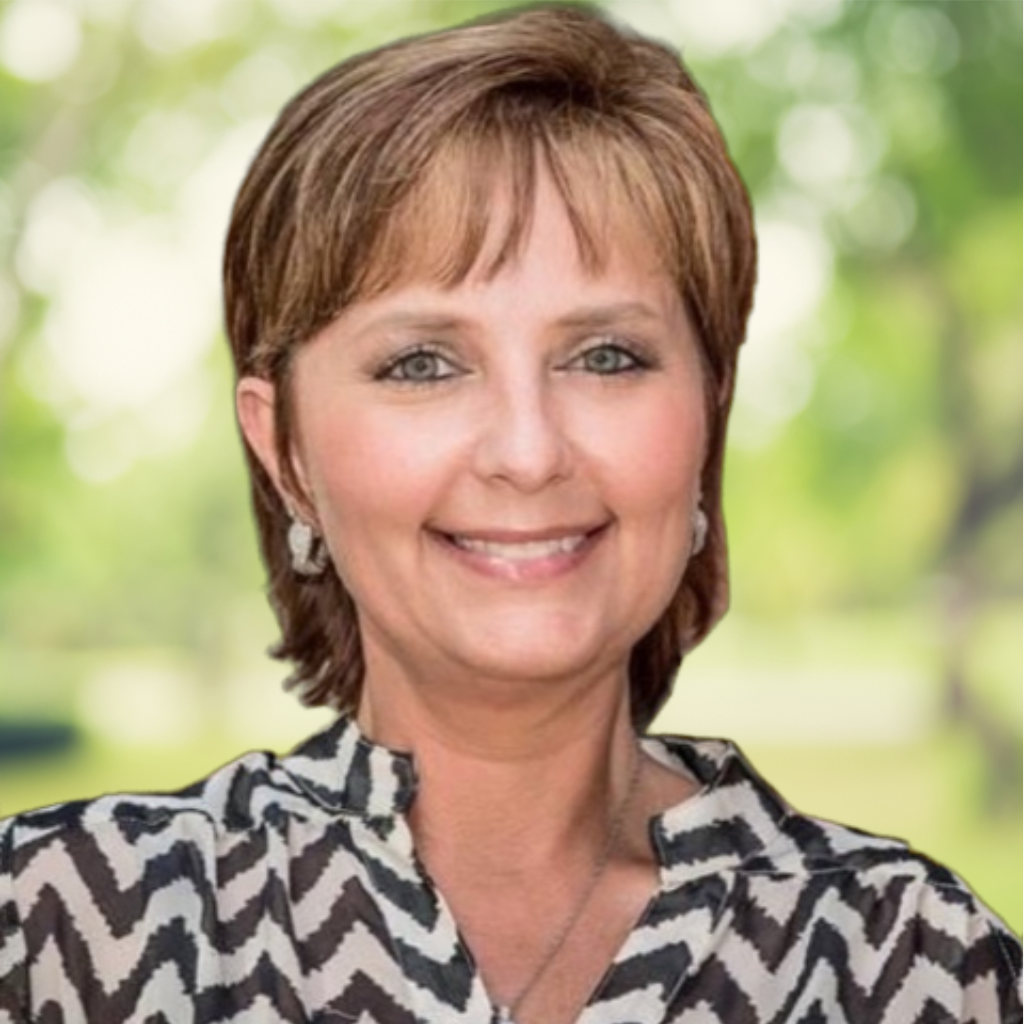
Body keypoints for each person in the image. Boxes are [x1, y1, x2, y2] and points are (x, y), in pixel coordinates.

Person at [0, 5, 1020, 1023]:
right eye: (423, 363)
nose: (527, 452)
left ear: (705, 417)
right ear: (287, 455)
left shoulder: (914, 964)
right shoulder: (58, 927)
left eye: (605, 356)